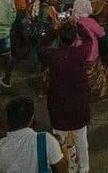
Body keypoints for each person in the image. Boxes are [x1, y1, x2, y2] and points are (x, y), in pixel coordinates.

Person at [39, 20, 92, 173]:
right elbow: (88, 39)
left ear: (60, 39)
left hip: (58, 104)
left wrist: (52, 32)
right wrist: (78, 25)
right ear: (75, 38)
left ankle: (65, 167)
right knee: (81, 138)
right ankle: (83, 167)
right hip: (79, 103)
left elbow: (41, 47)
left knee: (60, 140)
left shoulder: (52, 55)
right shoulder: (81, 53)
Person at [0, 96, 68, 172]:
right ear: (32, 118)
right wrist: (61, 147)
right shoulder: (46, 140)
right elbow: (63, 169)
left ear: (8, 119)